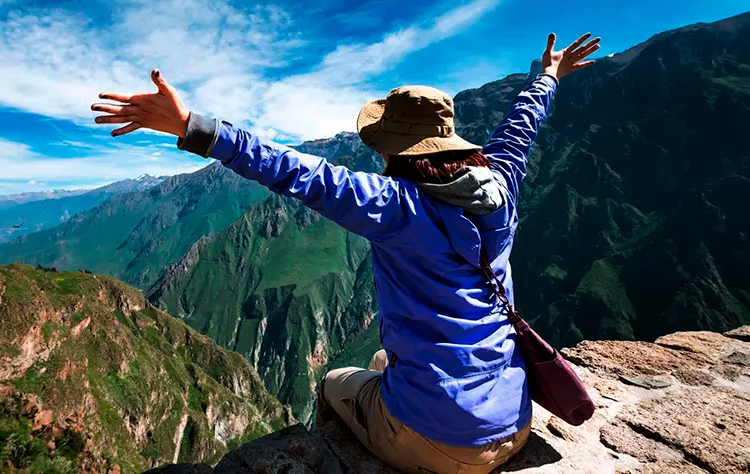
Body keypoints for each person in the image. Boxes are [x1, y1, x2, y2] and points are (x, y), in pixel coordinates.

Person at [92, 32, 600, 474]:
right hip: (514, 422)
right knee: (381, 361)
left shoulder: (394, 206)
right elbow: (520, 128)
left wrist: (191, 126)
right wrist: (547, 77)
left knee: (334, 382)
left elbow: (293, 171)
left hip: (443, 445)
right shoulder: (501, 183)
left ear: (394, 148)